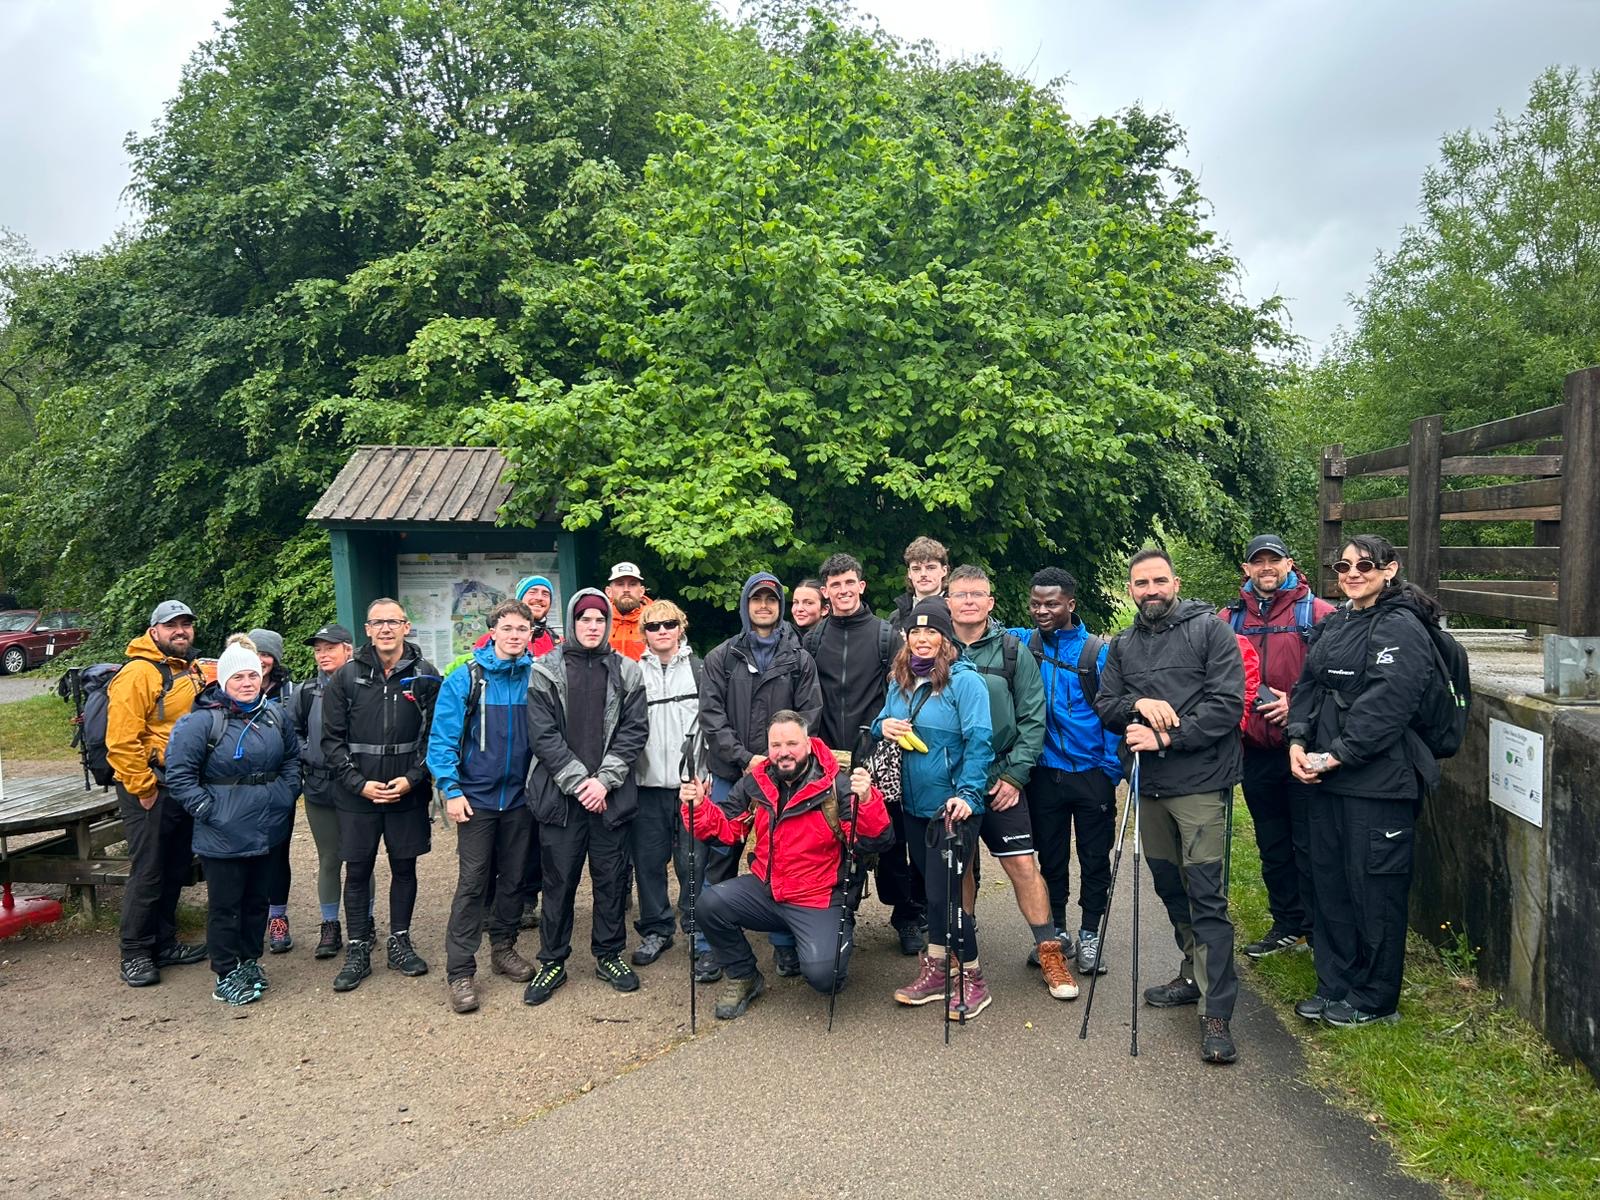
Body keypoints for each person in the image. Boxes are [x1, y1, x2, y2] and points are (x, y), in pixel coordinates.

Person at [1094, 548, 1246, 1065]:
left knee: (1206, 894)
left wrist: (1166, 736)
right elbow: (1106, 705)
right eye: (1141, 583)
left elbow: (1227, 706)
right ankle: (1191, 971)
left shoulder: (1210, 632)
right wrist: (1137, 706)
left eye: (1159, 580)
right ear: (1131, 589)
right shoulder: (1123, 644)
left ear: (1175, 582)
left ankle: (1216, 1011)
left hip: (1200, 785)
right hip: (1148, 788)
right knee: (1169, 886)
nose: (1151, 589)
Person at [1288, 534, 1440, 1029]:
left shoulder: (1402, 625)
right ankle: (1335, 985)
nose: (1352, 573)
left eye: (1365, 565)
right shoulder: (1338, 622)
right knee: (1331, 887)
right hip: (1326, 779)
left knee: (1375, 892)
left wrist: (1336, 756)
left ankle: (1375, 999)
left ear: (1390, 569)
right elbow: (1308, 686)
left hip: (1379, 784)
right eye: (1343, 565)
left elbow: (1388, 705)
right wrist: (1296, 740)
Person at [683, 710, 892, 1019]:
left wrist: (869, 801)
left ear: (807, 743)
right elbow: (727, 830)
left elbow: (875, 842)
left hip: (819, 897)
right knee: (708, 905)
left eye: (792, 743)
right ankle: (744, 976)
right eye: (776, 745)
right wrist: (699, 807)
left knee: (824, 978)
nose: (783, 753)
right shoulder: (756, 781)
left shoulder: (838, 784)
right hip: (767, 889)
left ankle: (836, 935)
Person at [945, 566, 1076, 1000]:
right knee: (957, 869)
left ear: (990, 602)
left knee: (1023, 867)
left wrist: (1016, 776)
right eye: (960, 594)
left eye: (976, 594)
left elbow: (1032, 719)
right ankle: (960, 952)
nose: (968, 601)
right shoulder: (932, 651)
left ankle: (1050, 951)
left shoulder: (1012, 651)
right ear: (947, 601)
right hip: (951, 784)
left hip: (1000, 781)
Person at [522, 589, 649, 1005]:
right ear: (572, 624)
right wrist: (580, 782)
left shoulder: (628, 671)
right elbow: (542, 734)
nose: (592, 627)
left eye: (599, 620)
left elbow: (634, 732)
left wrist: (603, 781)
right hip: (561, 798)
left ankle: (608, 953)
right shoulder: (546, 669)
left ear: (608, 624)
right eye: (584, 620)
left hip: (610, 797)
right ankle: (553, 960)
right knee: (558, 882)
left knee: (611, 881)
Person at [696, 572, 823, 980]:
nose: (764, 606)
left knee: (784, 858)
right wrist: (745, 758)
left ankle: (785, 943)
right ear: (745, 605)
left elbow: (809, 715)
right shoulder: (721, 657)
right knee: (719, 853)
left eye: (771, 599)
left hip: (784, 778)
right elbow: (712, 717)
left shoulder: (799, 658)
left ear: (780, 606)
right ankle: (710, 944)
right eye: (757, 599)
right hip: (731, 774)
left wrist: (773, 761)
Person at [875, 599, 995, 1020]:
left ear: (946, 638)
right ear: (906, 638)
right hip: (912, 805)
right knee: (931, 893)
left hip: (953, 808)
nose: (922, 640)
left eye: (931, 633)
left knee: (947, 898)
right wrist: (883, 726)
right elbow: (882, 722)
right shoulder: (900, 680)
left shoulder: (966, 683)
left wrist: (967, 795)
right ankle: (940, 968)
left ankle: (974, 980)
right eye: (915, 633)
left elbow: (981, 744)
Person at [165, 642, 300, 1005]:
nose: (246, 683)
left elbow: (291, 759)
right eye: (238, 676)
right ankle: (225, 971)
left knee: (257, 899)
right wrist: (209, 809)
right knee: (226, 903)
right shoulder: (200, 723)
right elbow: (179, 776)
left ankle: (249, 960)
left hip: (267, 824)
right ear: (223, 680)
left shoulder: (274, 716)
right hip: (221, 831)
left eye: (253, 675)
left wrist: (286, 795)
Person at [1223, 534, 1336, 960]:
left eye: (1274, 560)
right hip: (1254, 749)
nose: (1266, 568)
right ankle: (1288, 923)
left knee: (1312, 844)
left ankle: (1318, 929)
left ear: (1290, 563)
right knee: (1272, 843)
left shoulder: (1320, 614)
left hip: (1305, 748)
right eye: (1258, 562)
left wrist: (1298, 707)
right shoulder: (1229, 619)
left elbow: (1341, 681)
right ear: (1246, 569)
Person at [321, 598, 439, 993]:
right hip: (357, 794)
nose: (386, 629)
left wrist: (414, 778)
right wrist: (357, 783)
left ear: (406, 626)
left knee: (405, 868)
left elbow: (435, 736)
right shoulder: (346, 676)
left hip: (407, 790)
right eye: (377, 623)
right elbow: (331, 741)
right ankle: (357, 948)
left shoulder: (424, 675)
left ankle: (400, 941)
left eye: (393, 622)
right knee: (356, 870)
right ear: (367, 630)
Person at [427, 600, 538, 1014]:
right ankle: (460, 970)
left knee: (513, 879)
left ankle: (504, 947)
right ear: (492, 632)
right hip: (476, 799)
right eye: (506, 627)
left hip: (520, 799)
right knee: (473, 882)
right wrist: (451, 790)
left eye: (521, 629)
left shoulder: (536, 676)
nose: (514, 635)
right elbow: (441, 741)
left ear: (531, 634)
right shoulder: (466, 679)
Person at [805, 552, 918, 952]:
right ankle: (841, 912)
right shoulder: (814, 638)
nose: (843, 590)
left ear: (861, 586)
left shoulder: (885, 635)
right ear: (826, 591)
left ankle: (905, 914)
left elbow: (902, 690)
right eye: (835, 585)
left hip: (876, 753)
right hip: (827, 756)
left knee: (889, 839)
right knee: (833, 838)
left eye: (849, 582)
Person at [107, 599, 207, 987]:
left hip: (179, 784)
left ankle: (164, 943)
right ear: (154, 632)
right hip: (149, 787)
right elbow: (120, 740)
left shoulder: (186, 669)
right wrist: (143, 788)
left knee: (174, 867)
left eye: (186, 624)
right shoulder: (138, 673)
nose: (180, 631)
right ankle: (134, 952)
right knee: (148, 872)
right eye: (171, 626)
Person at [629, 599, 700, 969]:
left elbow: (710, 727)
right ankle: (656, 928)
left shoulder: (701, 670)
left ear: (681, 627)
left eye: (669, 624)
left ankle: (696, 925)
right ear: (644, 633)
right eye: (653, 626)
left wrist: (702, 775)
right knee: (649, 862)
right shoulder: (631, 673)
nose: (661, 632)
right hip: (647, 784)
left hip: (691, 785)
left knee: (693, 861)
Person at [293, 622, 358, 960]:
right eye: (318, 649)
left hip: (357, 786)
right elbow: (294, 731)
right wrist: (309, 753)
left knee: (359, 859)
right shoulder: (306, 692)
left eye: (329, 647)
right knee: (330, 858)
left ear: (348, 649)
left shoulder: (364, 686)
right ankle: (330, 926)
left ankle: (364, 922)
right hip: (319, 785)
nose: (322, 654)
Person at [244, 627, 300, 955]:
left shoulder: (290, 692)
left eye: (267, 654)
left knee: (277, 854)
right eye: (255, 653)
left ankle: (277, 918)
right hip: (239, 791)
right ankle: (250, 917)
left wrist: (290, 786)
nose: (261, 660)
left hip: (278, 787)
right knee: (246, 855)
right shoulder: (230, 686)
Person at [888, 536, 950, 635]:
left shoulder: (957, 612)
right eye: (916, 569)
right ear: (909, 573)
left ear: (944, 570)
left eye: (930, 568)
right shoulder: (896, 617)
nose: (923, 574)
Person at [605, 562, 651, 661]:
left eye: (632, 584)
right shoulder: (600, 622)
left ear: (641, 591)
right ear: (609, 592)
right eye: (620, 584)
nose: (626, 590)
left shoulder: (655, 622)